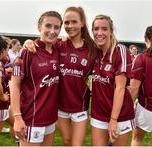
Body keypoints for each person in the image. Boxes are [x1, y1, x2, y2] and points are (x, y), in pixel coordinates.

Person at [10, 11, 62, 146]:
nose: (52, 31)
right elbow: (14, 85)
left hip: (50, 119)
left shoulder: (58, 50)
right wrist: (17, 117)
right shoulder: (28, 51)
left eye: (56, 27)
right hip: (31, 119)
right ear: (39, 28)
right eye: (48, 26)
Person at [90, 14, 135, 146]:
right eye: (96, 29)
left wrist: (113, 120)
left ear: (111, 31)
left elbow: (120, 88)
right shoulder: (94, 51)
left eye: (104, 29)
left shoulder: (120, 50)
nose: (99, 33)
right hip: (99, 113)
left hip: (120, 115)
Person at [56, 6, 97, 146]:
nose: (70, 26)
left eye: (74, 22)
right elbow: (41, 45)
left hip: (80, 106)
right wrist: (28, 42)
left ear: (82, 23)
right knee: (67, 141)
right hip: (60, 106)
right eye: (66, 23)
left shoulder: (92, 50)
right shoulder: (58, 45)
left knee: (76, 144)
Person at [130, 25, 152, 146]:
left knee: (136, 139)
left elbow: (134, 88)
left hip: (147, 108)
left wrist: (125, 106)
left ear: (145, 38)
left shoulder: (142, 58)